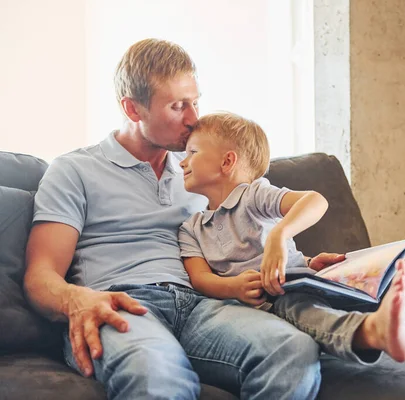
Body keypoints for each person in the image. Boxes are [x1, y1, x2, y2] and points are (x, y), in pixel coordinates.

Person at [23, 38, 334, 400]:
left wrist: (304, 264)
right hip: (123, 303)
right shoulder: (74, 170)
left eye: (195, 101)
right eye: (177, 106)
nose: (193, 118)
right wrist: (76, 300)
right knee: (156, 374)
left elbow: (239, 234)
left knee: (291, 351)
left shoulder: (200, 170)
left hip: (203, 304)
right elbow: (39, 275)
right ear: (133, 109)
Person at [177, 111, 405, 358]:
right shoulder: (192, 228)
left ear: (227, 162)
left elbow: (314, 201)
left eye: (192, 152)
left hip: (311, 277)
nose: (182, 161)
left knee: (404, 274)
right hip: (278, 298)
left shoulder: (255, 195)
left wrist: (281, 239)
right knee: (302, 309)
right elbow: (199, 279)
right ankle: (373, 332)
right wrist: (236, 288)